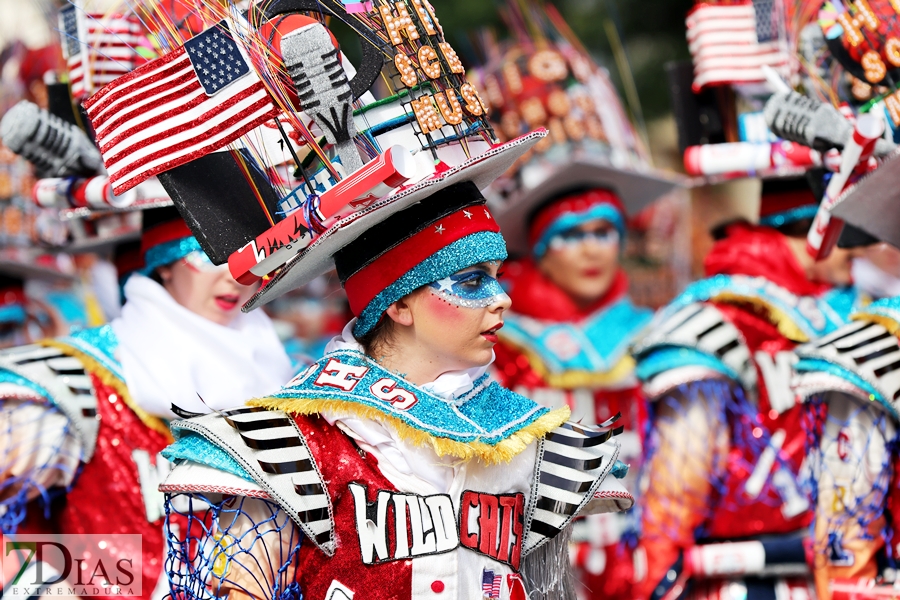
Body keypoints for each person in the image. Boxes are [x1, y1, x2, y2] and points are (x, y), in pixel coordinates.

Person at [467, 4, 682, 595]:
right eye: (571, 235)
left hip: (652, 557)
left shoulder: (662, 333)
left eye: (604, 232)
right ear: (539, 248)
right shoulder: (495, 343)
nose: (592, 251)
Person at [0, 206, 293, 599]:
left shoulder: (284, 377)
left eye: (252, 260)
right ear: (164, 263)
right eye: (209, 255)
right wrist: (40, 590)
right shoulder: (83, 375)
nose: (235, 275)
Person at [632, 175, 870, 600]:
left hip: (843, 571)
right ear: (822, 227)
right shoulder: (717, 318)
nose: (867, 249)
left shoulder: (856, 311)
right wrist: (659, 579)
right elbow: (678, 483)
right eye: (856, 231)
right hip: (735, 580)